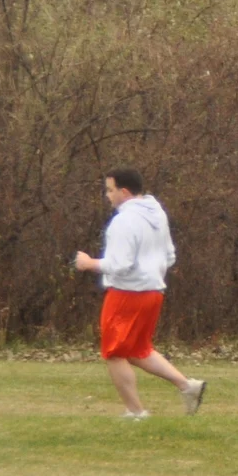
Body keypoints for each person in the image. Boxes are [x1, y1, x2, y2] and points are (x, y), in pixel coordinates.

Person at [72, 167, 204, 420]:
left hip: (126, 293)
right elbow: (170, 256)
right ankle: (188, 386)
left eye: (110, 190)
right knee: (137, 350)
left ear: (124, 192)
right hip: (153, 292)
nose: (107, 195)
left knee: (113, 353)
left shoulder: (123, 221)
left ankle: (136, 411)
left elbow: (120, 264)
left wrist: (89, 263)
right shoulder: (157, 214)